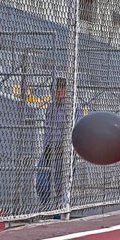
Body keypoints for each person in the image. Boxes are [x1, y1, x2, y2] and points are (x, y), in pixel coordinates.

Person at [35, 78, 82, 209]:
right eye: (56, 88)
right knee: (41, 182)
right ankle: (47, 208)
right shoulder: (50, 107)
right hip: (49, 148)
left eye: (62, 88)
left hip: (65, 150)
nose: (59, 91)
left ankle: (58, 213)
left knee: (61, 185)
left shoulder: (73, 107)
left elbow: (78, 128)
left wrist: (71, 148)